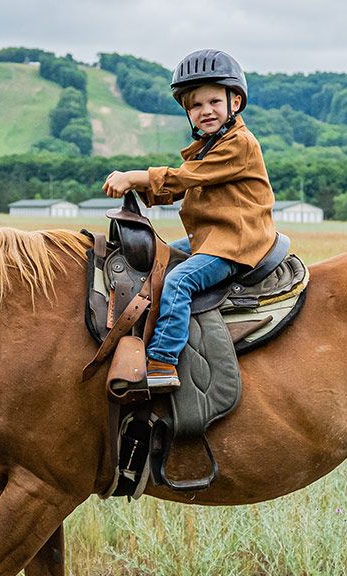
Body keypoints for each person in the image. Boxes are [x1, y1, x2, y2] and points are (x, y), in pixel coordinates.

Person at [102, 48, 278, 391]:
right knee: (158, 257)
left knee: (180, 281)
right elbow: (185, 184)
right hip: (213, 235)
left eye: (214, 101)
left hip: (237, 242)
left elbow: (184, 179)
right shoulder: (210, 145)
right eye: (195, 105)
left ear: (235, 103)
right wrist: (143, 193)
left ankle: (163, 362)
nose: (205, 111)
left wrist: (136, 177)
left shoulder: (239, 144)